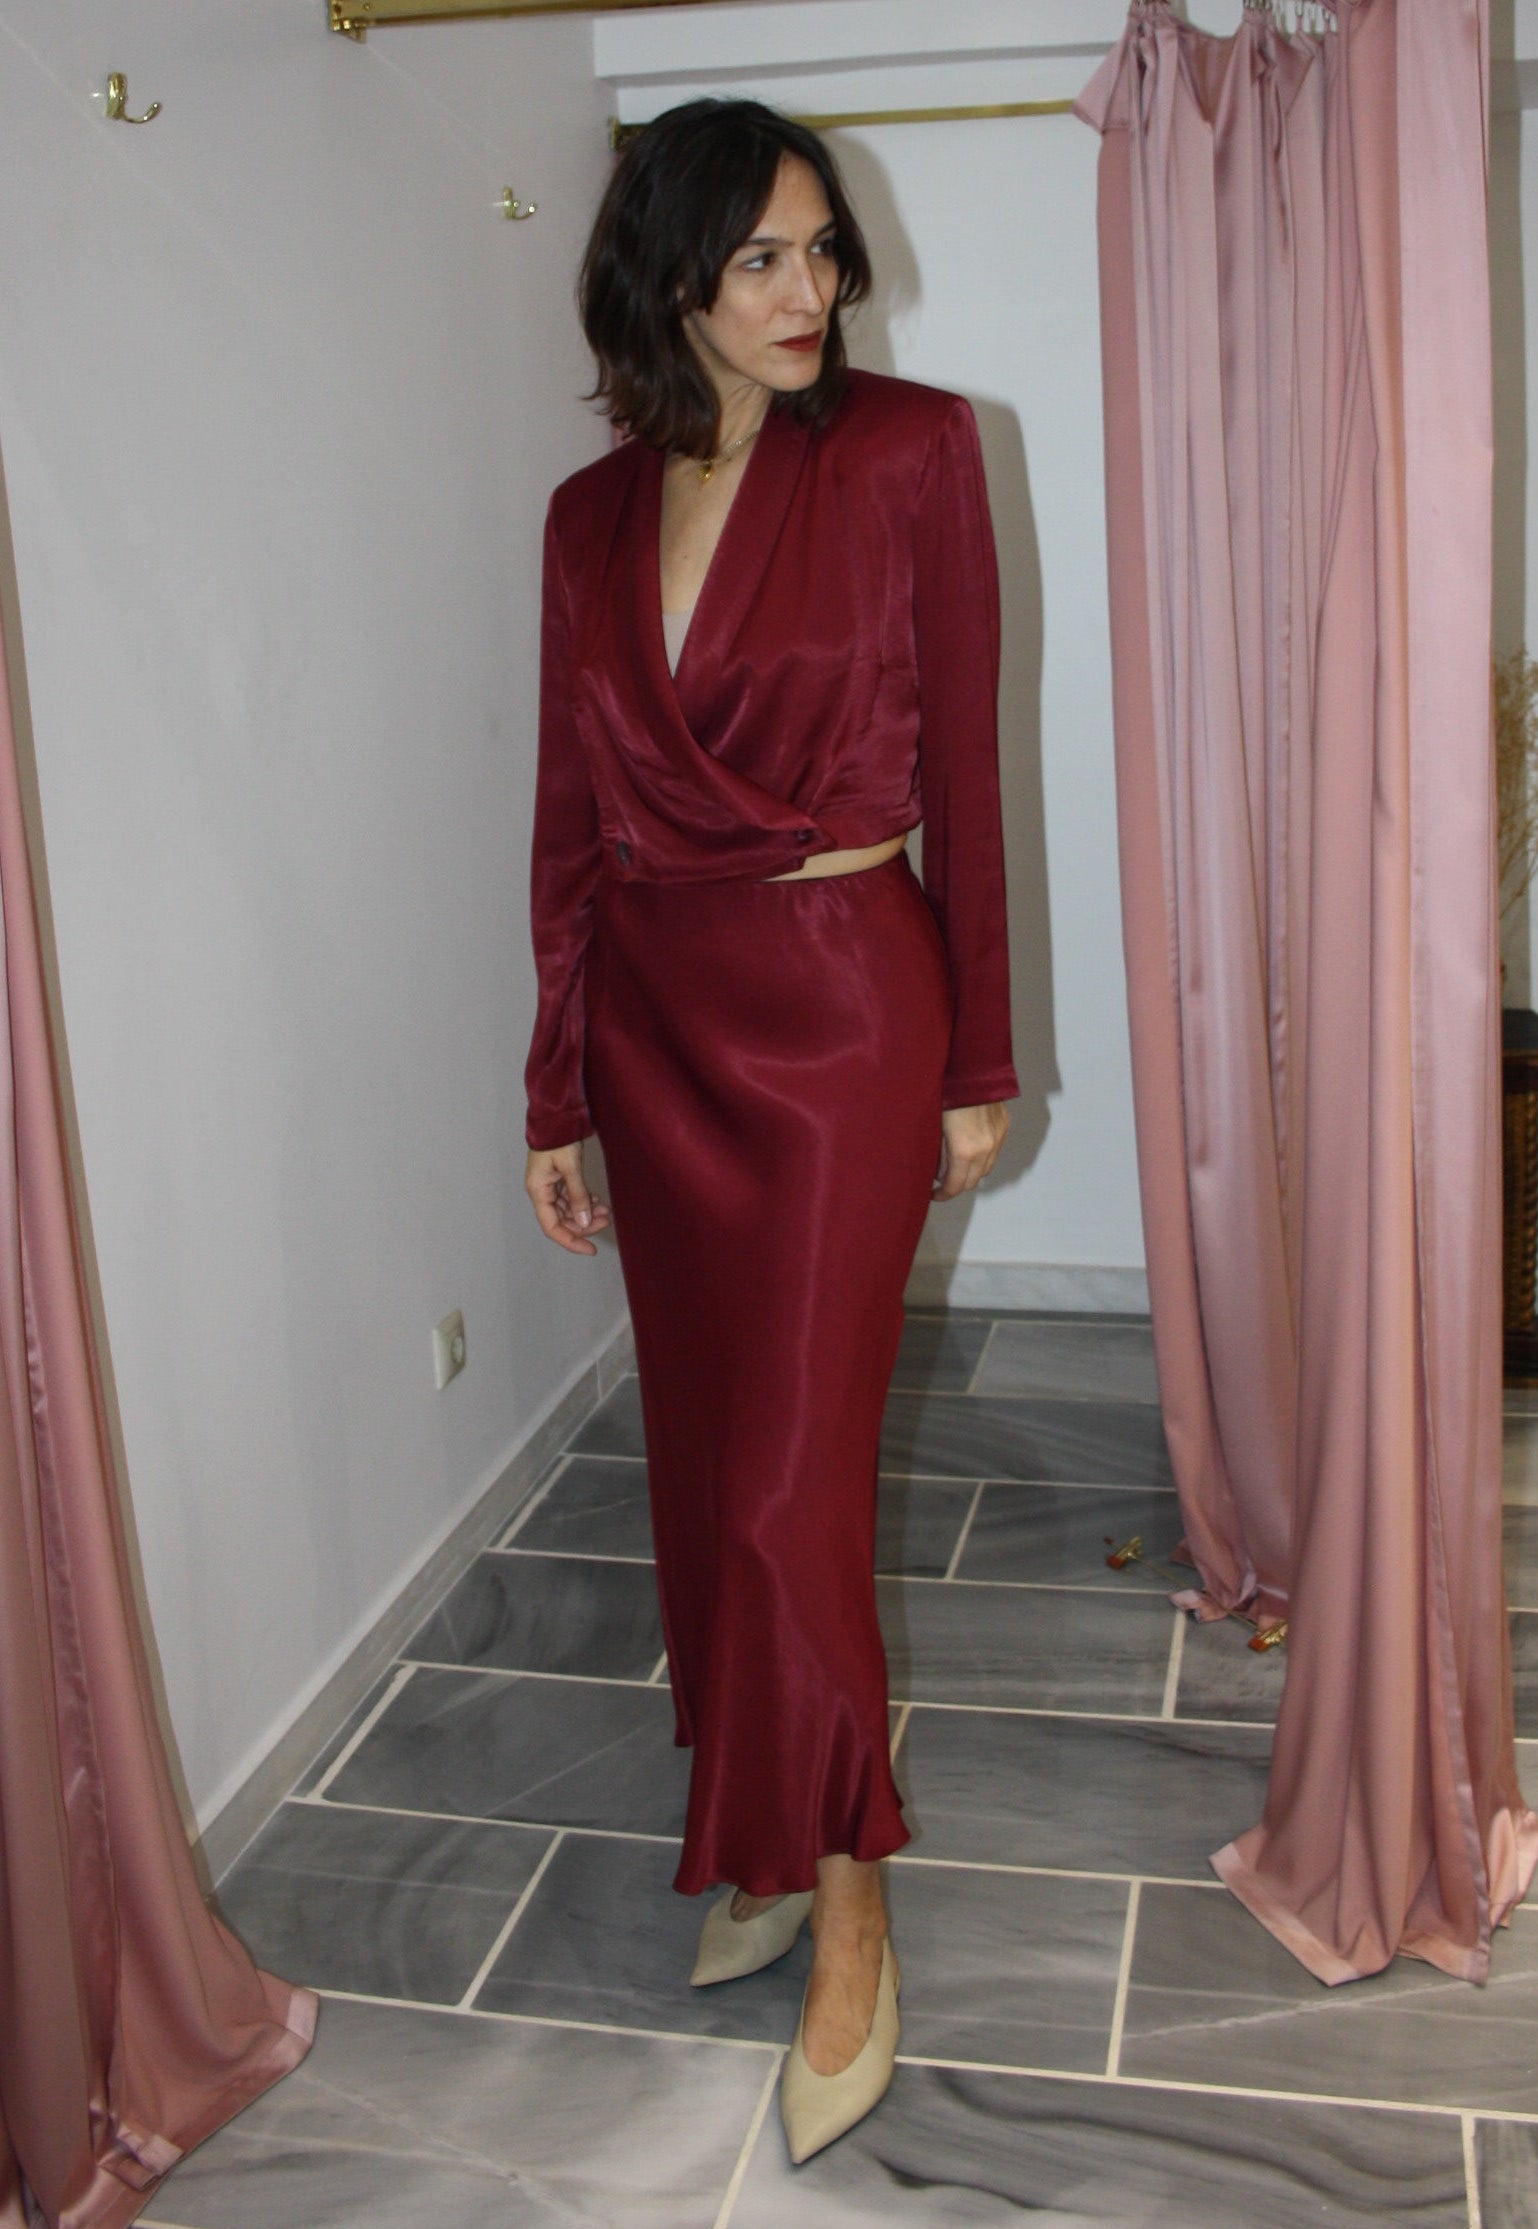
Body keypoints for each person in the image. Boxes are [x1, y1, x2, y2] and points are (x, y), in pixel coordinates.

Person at [522, 97, 1017, 2163]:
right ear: (670, 277)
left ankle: (853, 1899)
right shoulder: (584, 515)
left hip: (839, 1011)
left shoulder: (908, 451)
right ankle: (759, 1824)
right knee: (710, 1461)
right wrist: (555, 1078)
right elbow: (568, 813)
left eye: (822, 250)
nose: (809, 290)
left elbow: (971, 763)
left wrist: (979, 1052)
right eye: (760, 259)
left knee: (793, 1491)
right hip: (655, 1023)